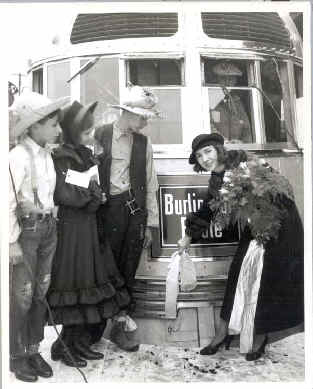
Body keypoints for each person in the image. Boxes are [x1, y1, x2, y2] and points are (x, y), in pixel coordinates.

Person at [178, 133, 304, 361]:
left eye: (208, 151)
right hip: (255, 224)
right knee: (237, 273)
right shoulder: (216, 180)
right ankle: (221, 334)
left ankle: (260, 337)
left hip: (280, 223)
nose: (204, 158)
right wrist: (187, 237)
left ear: (218, 149)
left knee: (266, 280)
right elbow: (209, 209)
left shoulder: (242, 160)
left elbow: (279, 186)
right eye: (199, 155)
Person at [46, 101, 132, 367]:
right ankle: (67, 346)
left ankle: (76, 344)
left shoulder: (84, 153)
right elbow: (66, 194)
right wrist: (95, 195)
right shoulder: (62, 156)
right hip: (73, 231)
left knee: (88, 283)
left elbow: (90, 191)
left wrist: (95, 195)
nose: (89, 136)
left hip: (89, 227)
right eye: (84, 132)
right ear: (72, 132)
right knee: (77, 284)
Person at [92, 85, 160, 350]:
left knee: (128, 269)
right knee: (103, 270)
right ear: (128, 113)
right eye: (142, 117)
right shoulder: (100, 135)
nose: (145, 123)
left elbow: (150, 181)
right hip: (107, 213)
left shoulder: (144, 142)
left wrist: (151, 224)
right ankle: (92, 331)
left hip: (135, 215)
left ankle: (120, 326)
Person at [9, 92, 68, 382]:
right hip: (27, 234)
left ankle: (33, 350)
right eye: (54, 124)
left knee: (40, 293)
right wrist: (9, 242)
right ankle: (17, 355)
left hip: (48, 229)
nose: (59, 130)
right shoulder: (16, 157)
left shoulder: (47, 154)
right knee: (22, 296)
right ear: (34, 127)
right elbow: (5, 201)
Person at [210, 62, 252, 143]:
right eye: (223, 78)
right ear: (216, 80)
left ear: (235, 81)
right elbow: (206, 125)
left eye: (231, 79)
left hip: (237, 150)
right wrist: (221, 140)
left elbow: (246, 129)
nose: (227, 82)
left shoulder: (237, 102)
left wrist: (242, 143)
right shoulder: (209, 100)